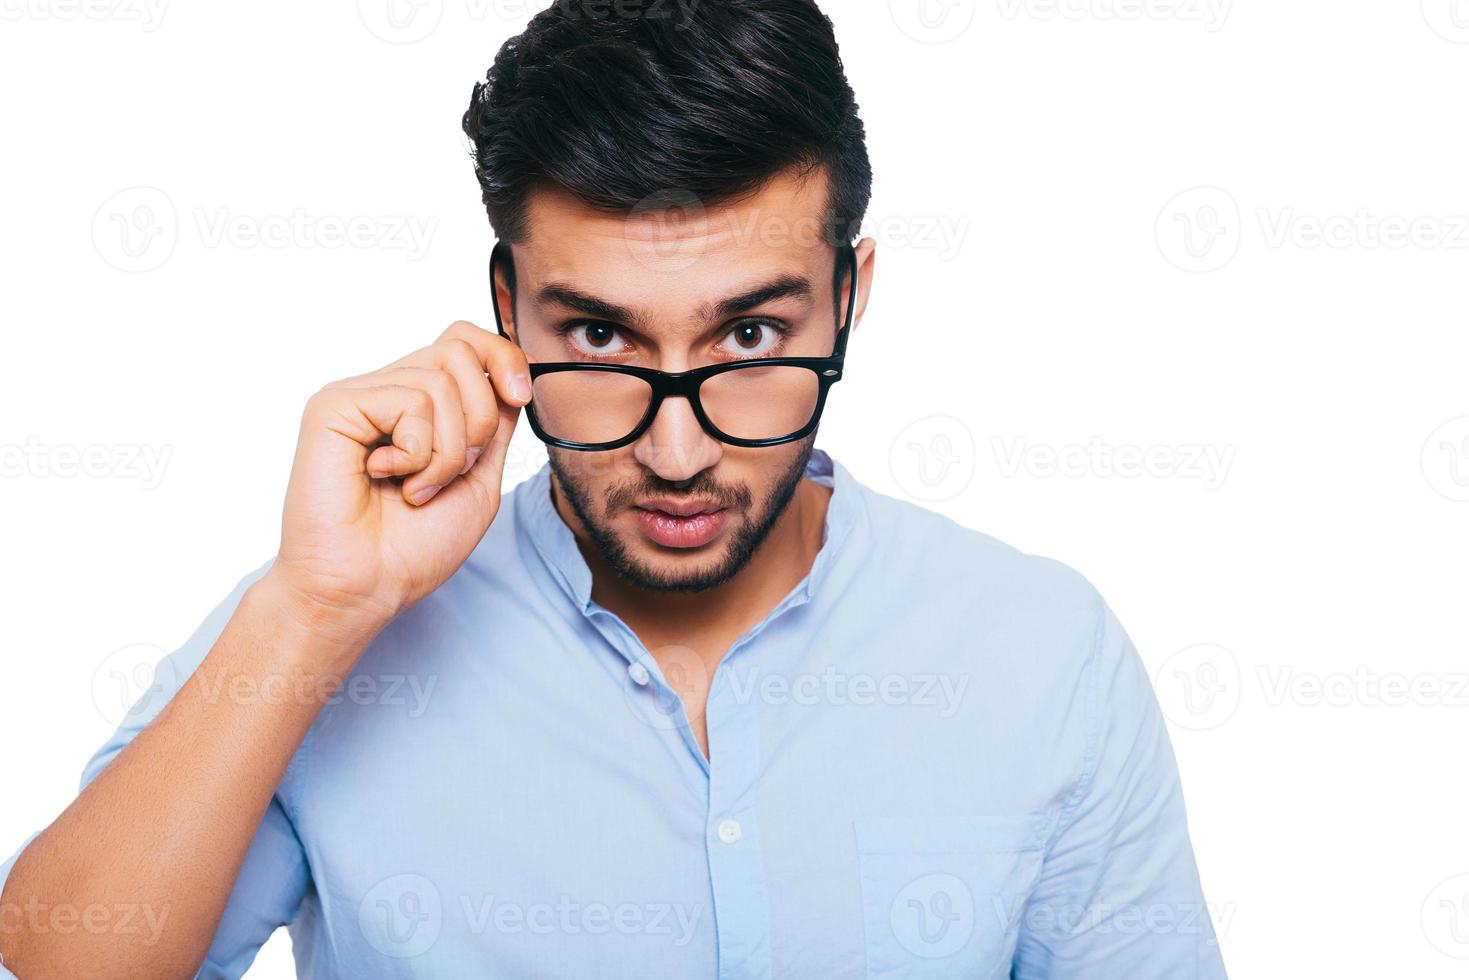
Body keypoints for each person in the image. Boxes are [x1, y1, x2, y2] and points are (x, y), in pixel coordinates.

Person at [0, 1, 1227, 976]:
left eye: (750, 337)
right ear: (504, 312)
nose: (680, 454)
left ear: (847, 300)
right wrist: (312, 610)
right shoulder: (340, 619)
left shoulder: (1037, 649)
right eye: (597, 339)